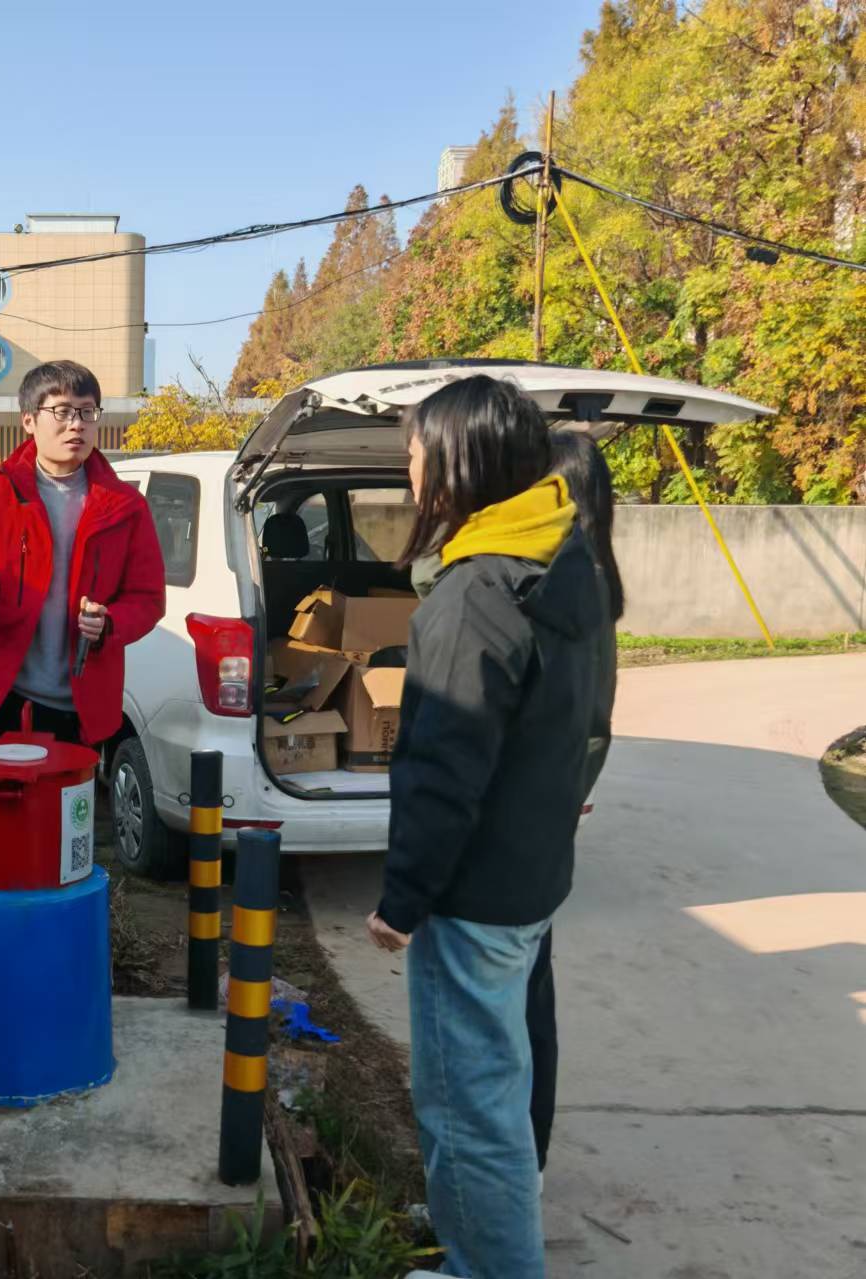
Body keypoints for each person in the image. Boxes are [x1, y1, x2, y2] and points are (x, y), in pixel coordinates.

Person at [364, 375, 608, 1278]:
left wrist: (403, 900)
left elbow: (443, 772)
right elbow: (589, 718)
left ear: (458, 464)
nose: (410, 471)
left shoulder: (476, 594)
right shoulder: (566, 558)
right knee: (507, 1080)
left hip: (474, 898)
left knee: (471, 1112)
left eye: (416, 455)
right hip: (533, 877)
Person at [0, 360, 166, 1015]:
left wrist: (111, 622)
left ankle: (46, 980)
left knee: (59, 847)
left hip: (72, 707)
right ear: (28, 420)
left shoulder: (124, 507)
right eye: (61, 411)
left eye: (87, 411)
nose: (76, 423)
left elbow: (148, 598)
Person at [525, 429, 624, 1176]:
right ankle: (527, 1153)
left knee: (521, 1003)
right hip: (547, 819)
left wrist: (544, 803)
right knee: (530, 993)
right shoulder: (588, 575)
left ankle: (522, 1157)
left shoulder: (569, 584)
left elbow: (589, 727)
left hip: (532, 823)